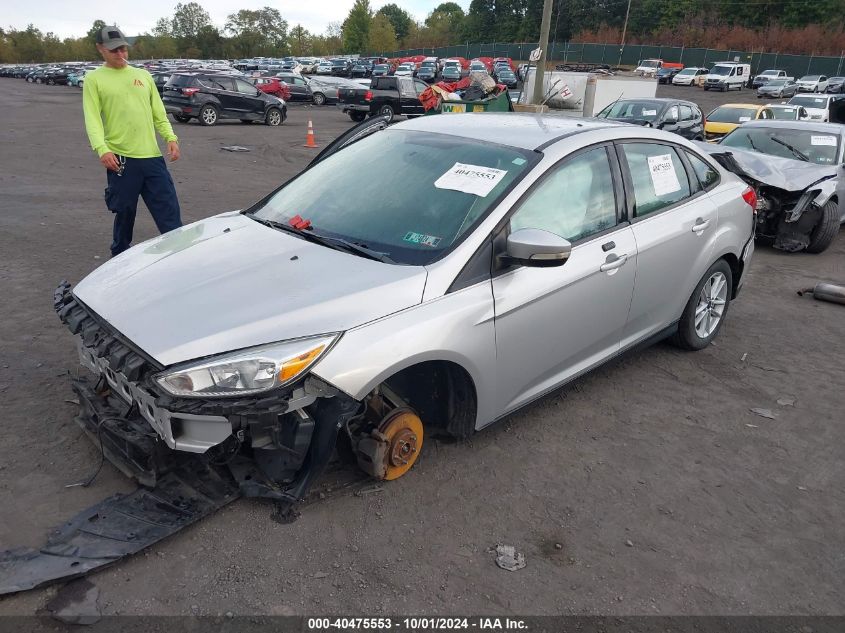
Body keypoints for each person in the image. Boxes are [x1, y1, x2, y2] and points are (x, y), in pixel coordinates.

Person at [82, 25, 182, 257]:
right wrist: (102, 149)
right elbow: (93, 118)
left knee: (169, 213)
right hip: (122, 160)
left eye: (123, 49)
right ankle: (118, 255)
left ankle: (179, 256)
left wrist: (171, 137)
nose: (120, 54)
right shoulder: (94, 79)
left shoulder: (143, 76)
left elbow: (159, 113)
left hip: (152, 159)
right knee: (125, 213)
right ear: (100, 49)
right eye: (114, 50)